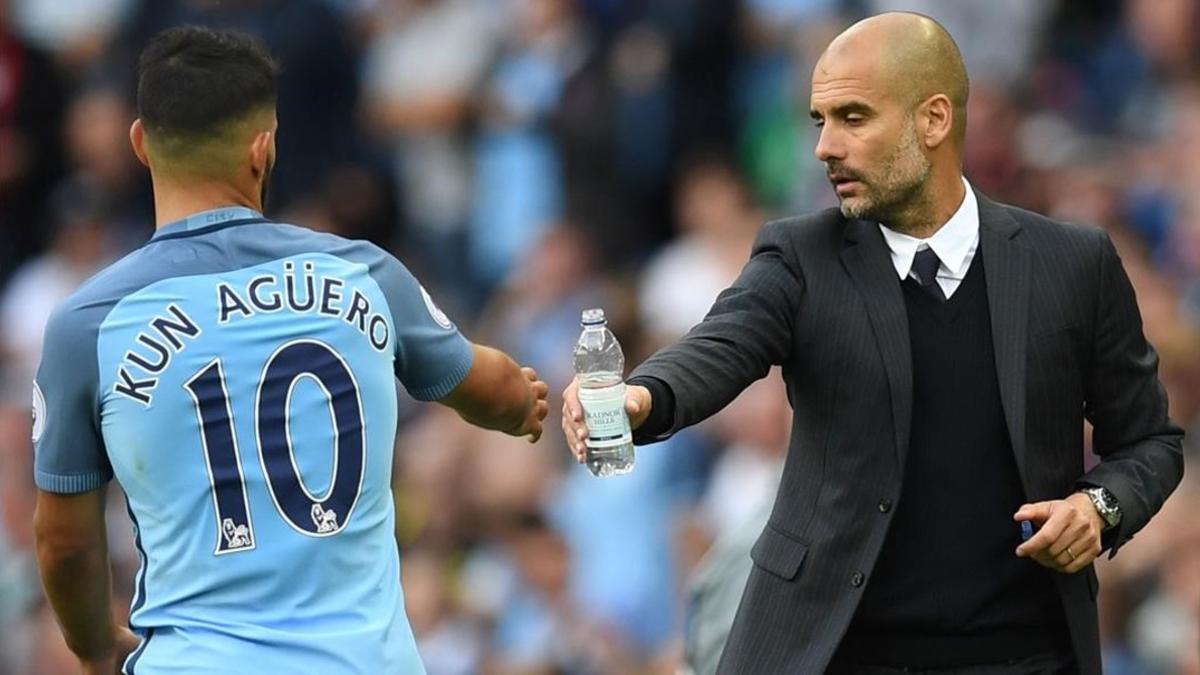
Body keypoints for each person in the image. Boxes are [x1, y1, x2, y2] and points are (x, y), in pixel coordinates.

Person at [562, 12, 1185, 675]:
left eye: (852, 117)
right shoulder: (800, 257)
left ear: (934, 120)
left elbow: (1150, 441)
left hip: (1024, 654)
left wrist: (1100, 507)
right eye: (819, 120)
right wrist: (642, 398)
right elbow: (719, 348)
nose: (825, 147)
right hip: (838, 653)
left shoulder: (1073, 263)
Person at [32, 26, 548, 675]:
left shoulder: (88, 324)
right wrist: (522, 404)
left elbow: (64, 541)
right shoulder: (364, 274)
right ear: (264, 147)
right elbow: (494, 390)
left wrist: (94, 645)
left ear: (140, 142)